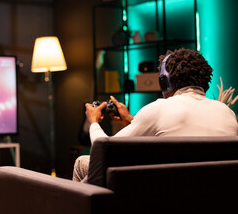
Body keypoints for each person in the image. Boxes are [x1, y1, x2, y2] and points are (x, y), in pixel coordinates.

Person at [73, 48, 238, 182]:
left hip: (163, 194)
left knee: (81, 163)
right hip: (216, 201)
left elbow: (104, 150)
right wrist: (132, 121)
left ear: (165, 82)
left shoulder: (159, 108)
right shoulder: (228, 113)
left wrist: (93, 122)